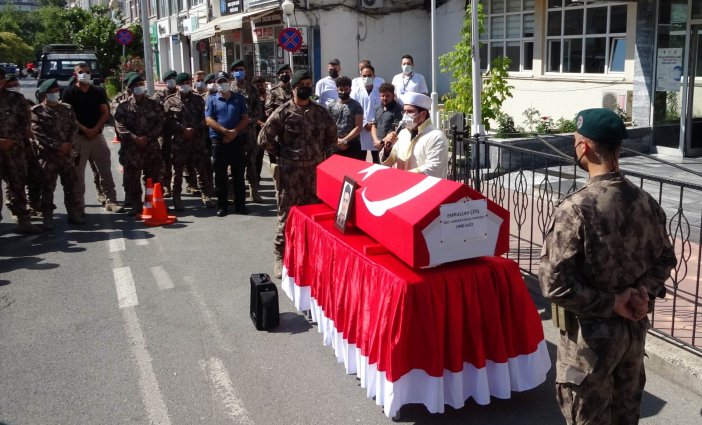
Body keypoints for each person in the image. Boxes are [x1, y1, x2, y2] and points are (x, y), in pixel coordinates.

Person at [539, 108, 677, 425]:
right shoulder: (645, 201)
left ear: (583, 147)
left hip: (590, 343)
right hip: (632, 334)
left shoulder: (576, 207)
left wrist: (613, 302)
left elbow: (554, 285)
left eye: (575, 141)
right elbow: (666, 259)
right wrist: (643, 294)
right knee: (625, 415)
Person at [258, 70, 337, 278]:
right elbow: (264, 139)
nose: (305, 87)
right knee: (286, 214)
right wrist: (281, 154)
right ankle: (280, 256)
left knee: (314, 215)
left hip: (314, 173)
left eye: (308, 83)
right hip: (290, 172)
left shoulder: (320, 112)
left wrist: (323, 157)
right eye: (301, 84)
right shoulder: (283, 112)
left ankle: (313, 255)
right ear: (293, 87)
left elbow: (332, 137)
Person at [61, 62, 124, 214]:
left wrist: (95, 129)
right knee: (78, 175)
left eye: (88, 71)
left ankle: (111, 201)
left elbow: (105, 113)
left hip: (97, 136)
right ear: (75, 74)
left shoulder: (98, 91)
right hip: (78, 138)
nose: (85, 74)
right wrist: (84, 129)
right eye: (81, 71)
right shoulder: (69, 92)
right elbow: (68, 116)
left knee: (105, 171)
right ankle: (79, 207)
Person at [31, 78, 83, 229]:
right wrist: (58, 146)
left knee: (71, 185)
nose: (56, 93)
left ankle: (74, 214)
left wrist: (68, 145)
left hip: (67, 156)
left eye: (56, 91)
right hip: (49, 157)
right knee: (47, 188)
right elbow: (38, 133)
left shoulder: (66, 108)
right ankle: (47, 217)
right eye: (52, 92)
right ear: (44, 95)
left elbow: (74, 128)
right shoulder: (37, 112)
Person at [114, 74, 164, 216]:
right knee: (133, 178)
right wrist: (135, 138)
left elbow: (160, 123)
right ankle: (136, 204)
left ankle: (152, 202)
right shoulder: (123, 107)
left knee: (153, 177)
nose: (139, 87)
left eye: (141, 84)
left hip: (151, 148)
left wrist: (148, 137)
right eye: (136, 85)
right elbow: (120, 126)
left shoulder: (154, 105)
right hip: (132, 149)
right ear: (130, 88)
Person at [163, 73, 214, 211]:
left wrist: (194, 129)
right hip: (179, 141)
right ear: (178, 85)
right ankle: (177, 198)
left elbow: (205, 118)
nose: (186, 85)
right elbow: (168, 120)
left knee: (201, 168)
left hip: (196, 139)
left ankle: (206, 195)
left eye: (188, 82)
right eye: (183, 82)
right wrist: (182, 129)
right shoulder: (170, 101)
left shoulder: (198, 100)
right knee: (178, 171)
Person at [0, 68, 41, 233]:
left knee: (18, 185)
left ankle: (24, 221)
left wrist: (11, 141)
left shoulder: (16, 99)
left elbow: (25, 124)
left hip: (14, 149)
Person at [205, 71, 250, 217]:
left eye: (224, 81)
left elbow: (245, 118)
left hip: (236, 140)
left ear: (229, 82)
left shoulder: (239, 99)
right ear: (216, 84)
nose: (222, 84)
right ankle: (222, 205)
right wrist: (225, 132)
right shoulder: (211, 99)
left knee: (238, 174)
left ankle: (240, 204)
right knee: (220, 175)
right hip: (219, 141)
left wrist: (234, 133)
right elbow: (209, 120)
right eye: (219, 82)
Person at [381, 92, 448, 178]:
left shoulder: (436, 136)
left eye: (409, 111)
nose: (405, 116)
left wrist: (403, 175)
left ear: (423, 114)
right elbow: (388, 162)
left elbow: (434, 169)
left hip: (424, 188)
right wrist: (387, 150)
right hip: (403, 185)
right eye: (404, 111)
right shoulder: (403, 133)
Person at [230, 59, 264, 203]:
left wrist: (252, 120)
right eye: (236, 69)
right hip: (234, 130)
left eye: (241, 69)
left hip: (249, 130)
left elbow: (258, 108)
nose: (239, 72)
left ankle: (254, 190)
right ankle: (233, 191)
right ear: (232, 72)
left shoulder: (252, 89)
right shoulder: (228, 88)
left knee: (251, 160)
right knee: (233, 161)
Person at [153, 70, 178, 198]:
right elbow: (155, 113)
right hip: (164, 132)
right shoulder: (159, 96)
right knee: (165, 159)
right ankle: (166, 185)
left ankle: (190, 183)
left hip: (179, 131)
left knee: (182, 159)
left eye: (174, 78)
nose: (172, 81)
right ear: (165, 81)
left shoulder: (180, 94)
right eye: (170, 79)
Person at [351, 64, 383, 163]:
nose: (367, 78)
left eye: (369, 75)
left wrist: (373, 124)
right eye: (364, 76)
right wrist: (364, 123)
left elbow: (383, 109)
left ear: (374, 76)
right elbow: (353, 109)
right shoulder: (356, 91)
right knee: (360, 161)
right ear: (360, 76)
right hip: (361, 129)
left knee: (377, 161)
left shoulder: (380, 91)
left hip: (376, 129)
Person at [328, 76, 365, 161]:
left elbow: (359, 127)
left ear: (350, 90)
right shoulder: (331, 105)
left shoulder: (356, 106)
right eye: (341, 89)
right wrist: (337, 141)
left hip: (352, 144)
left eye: (346, 89)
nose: (343, 92)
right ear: (337, 90)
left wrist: (345, 140)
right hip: (335, 144)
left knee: (353, 172)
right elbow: (328, 125)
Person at [371, 83, 403, 157]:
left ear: (393, 96)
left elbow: (397, 130)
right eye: (382, 96)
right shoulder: (379, 109)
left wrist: (382, 142)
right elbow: (374, 125)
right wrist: (376, 141)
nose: (385, 98)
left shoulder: (398, 110)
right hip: (377, 146)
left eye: (388, 96)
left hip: (390, 148)